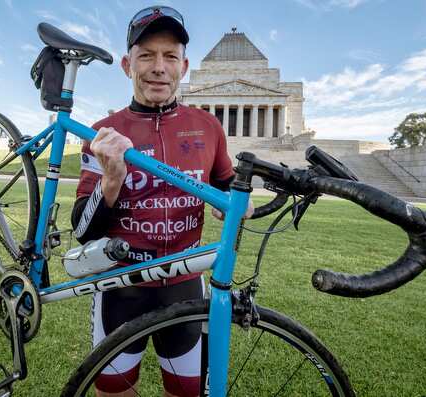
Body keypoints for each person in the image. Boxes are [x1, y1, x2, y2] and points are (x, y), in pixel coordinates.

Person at [71, 6, 252, 396]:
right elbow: (83, 230)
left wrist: (235, 200)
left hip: (185, 287)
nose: (158, 67)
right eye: (146, 55)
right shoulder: (104, 133)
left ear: (183, 66)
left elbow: (226, 185)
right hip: (121, 287)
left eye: (169, 56)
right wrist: (112, 179)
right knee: (113, 393)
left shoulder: (208, 126)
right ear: (126, 64)